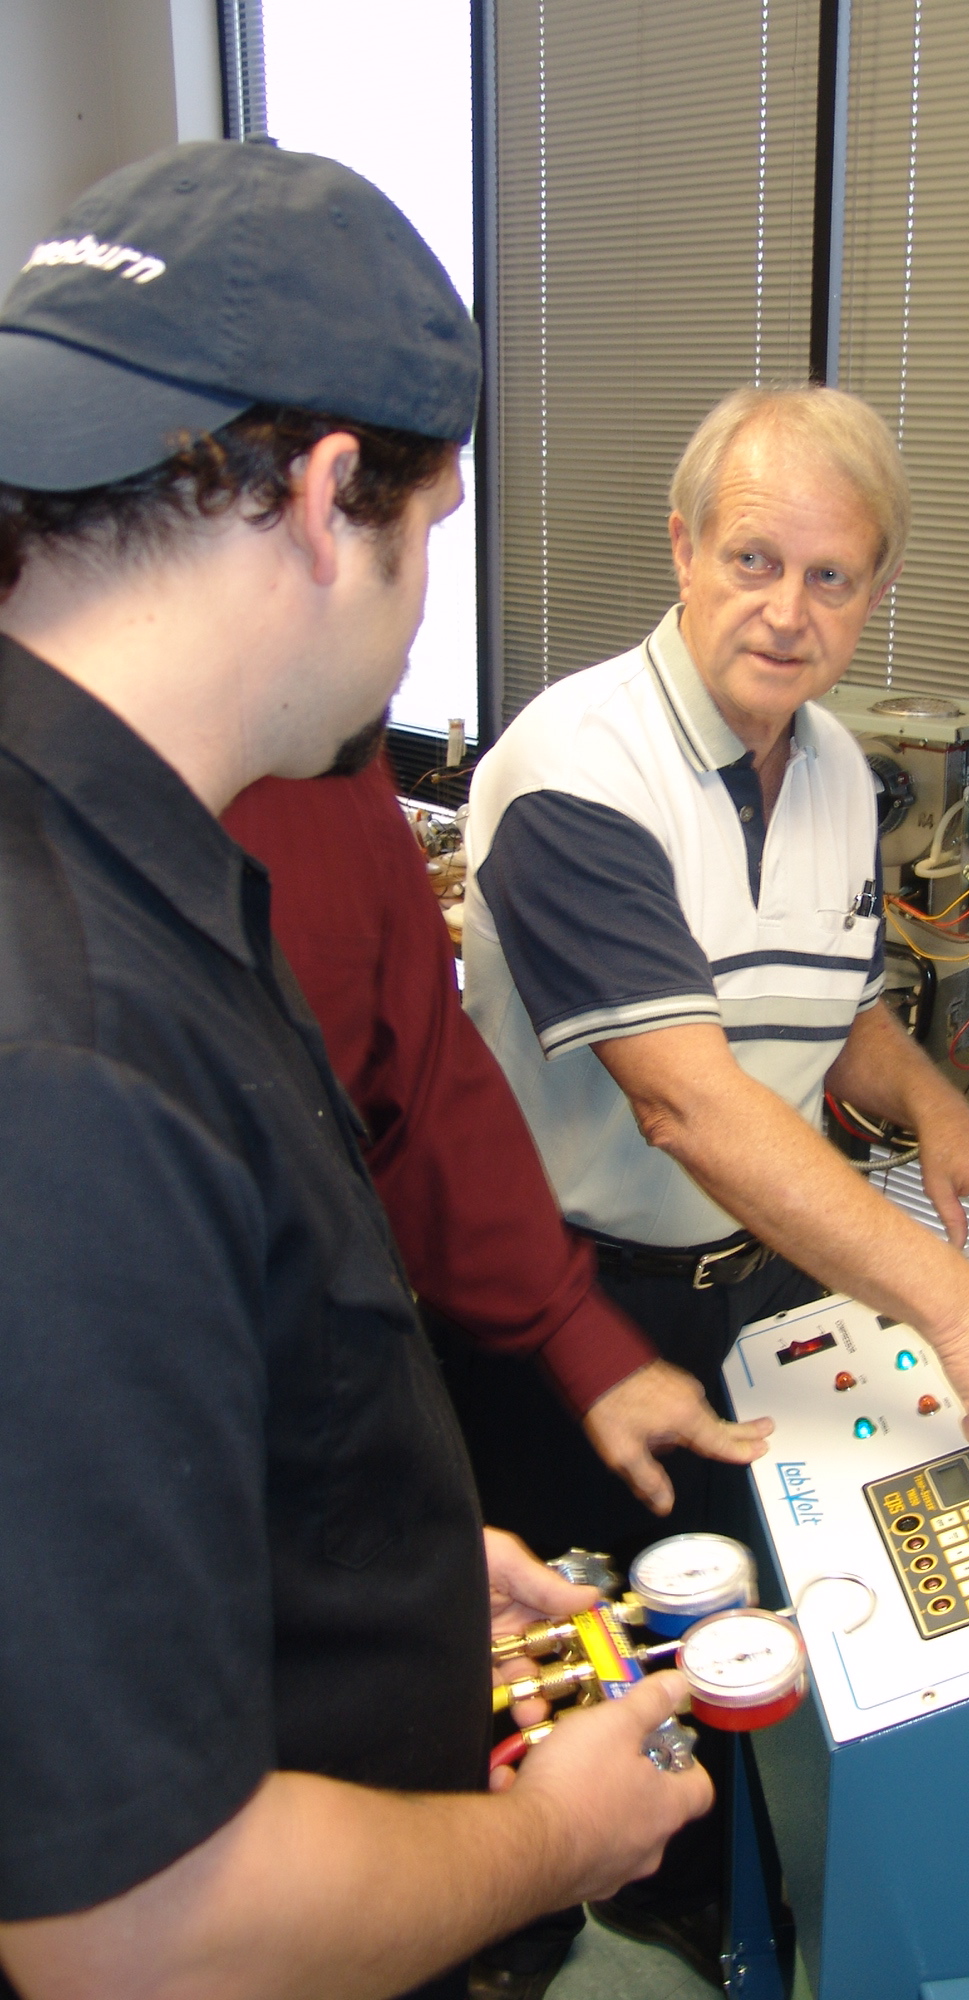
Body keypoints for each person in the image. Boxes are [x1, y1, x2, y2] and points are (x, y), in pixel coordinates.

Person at [0, 142, 709, 2000]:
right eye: (435, 526)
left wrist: (356, 1561)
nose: (418, 611)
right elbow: (132, 1934)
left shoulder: (127, 851)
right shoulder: (69, 1050)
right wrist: (558, 1836)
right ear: (329, 498)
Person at [459, 383, 969, 1970]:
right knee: (601, 1734)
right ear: (683, 546)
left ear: (880, 589)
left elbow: (828, 1003)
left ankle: (735, 1921)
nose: (787, 611)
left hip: (745, 1295)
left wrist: (943, 1117)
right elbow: (691, 1105)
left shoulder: (834, 765)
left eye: (831, 577)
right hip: (565, 1328)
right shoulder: (580, 770)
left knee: (754, 1685)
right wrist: (966, 1323)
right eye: (753, 559)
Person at [222, 750, 772, 1524]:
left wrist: (579, 1339)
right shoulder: (567, 764)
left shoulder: (335, 781)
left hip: (322, 1412)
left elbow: (424, 1089)